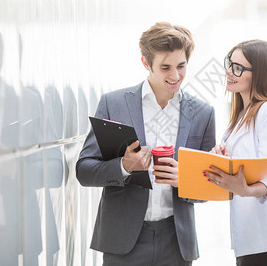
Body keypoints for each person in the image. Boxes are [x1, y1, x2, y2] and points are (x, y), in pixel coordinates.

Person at [76, 22, 216, 266]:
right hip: (123, 240)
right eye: (165, 67)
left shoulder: (203, 114)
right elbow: (84, 170)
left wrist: (185, 179)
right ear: (145, 63)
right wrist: (123, 166)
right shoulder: (114, 104)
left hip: (177, 243)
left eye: (181, 66)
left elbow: (210, 188)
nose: (175, 76)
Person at [204, 40, 267, 266]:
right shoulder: (239, 116)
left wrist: (245, 189)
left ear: (259, 74)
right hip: (251, 236)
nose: (229, 71)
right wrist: (220, 156)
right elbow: (242, 164)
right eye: (230, 64)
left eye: (238, 68)